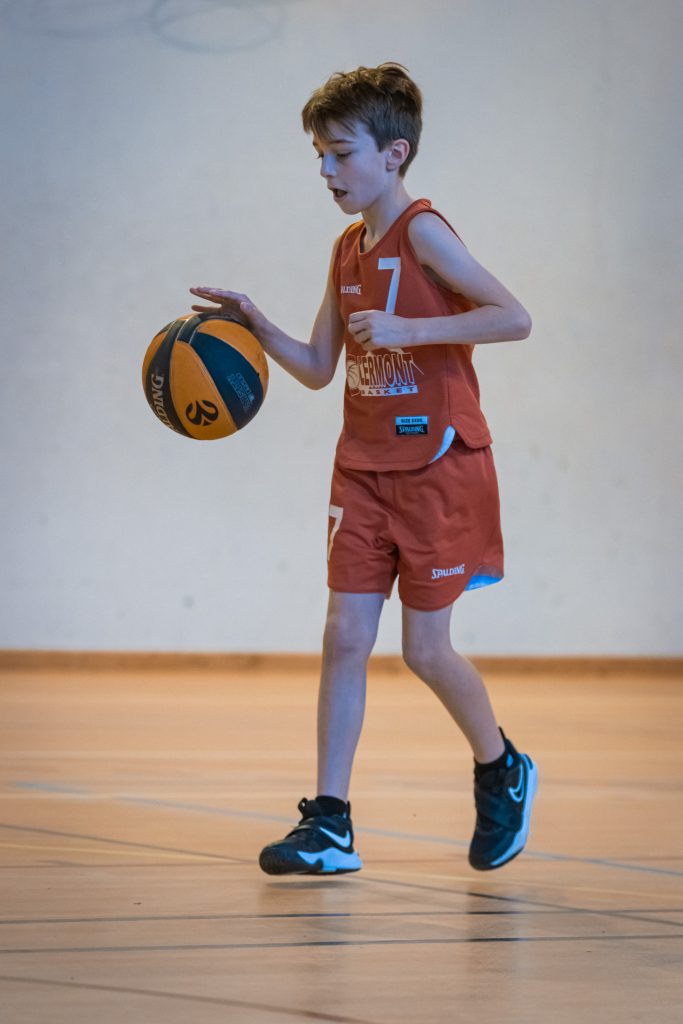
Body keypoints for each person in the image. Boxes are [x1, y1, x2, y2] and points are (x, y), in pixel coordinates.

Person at [190, 62, 537, 874]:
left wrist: (412, 331)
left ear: (392, 153)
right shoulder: (345, 249)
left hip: (438, 464)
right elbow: (319, 367)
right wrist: (254, 324)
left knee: (423, 651)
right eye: (318, 154)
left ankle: (501, 766)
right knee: (343, 635)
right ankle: (330, 823)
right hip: (362, 467)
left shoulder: (423, 232)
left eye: (340, 153)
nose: (326, 170)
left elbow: (514, 317)